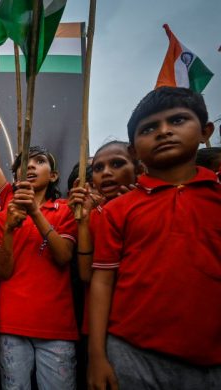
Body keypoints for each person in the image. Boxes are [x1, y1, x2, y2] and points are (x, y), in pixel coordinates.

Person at [88, 87, 221, 389]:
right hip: (132, 352)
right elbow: (101, 281)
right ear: (135, 149)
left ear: (205, 131)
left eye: (177, 121)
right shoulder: (119, 210)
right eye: (149, 128)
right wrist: (97, 355)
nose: (163, 132)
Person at [0, 146, 78, 390]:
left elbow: (63, 257)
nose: (30, 166)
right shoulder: (2, 216)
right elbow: (4, 272)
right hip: (12, 323)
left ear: (53, 175)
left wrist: (35, 213)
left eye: (39, 161)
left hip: (57, 326)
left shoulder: (65, 210)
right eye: (23, 163)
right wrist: (9, 228)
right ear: (15, 175)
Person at [68, 141, 140, 390]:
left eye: (117, 164)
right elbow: (87, 274)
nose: (106, 172)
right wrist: (84, 223)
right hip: (100, 331)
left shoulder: (151, 205)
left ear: (138, 166)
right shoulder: (95, 215)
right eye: (98, 168)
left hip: (141, 330)